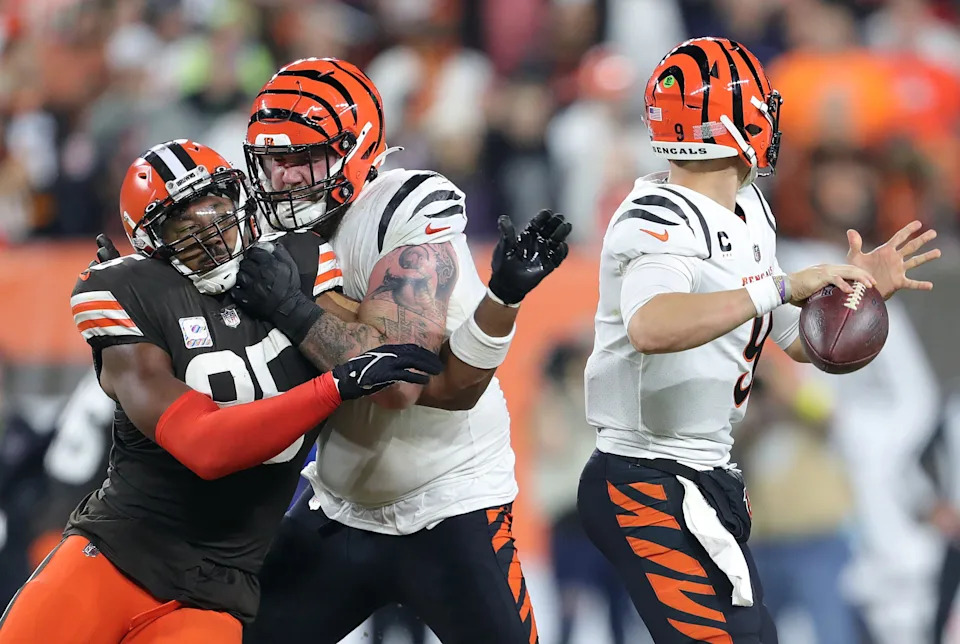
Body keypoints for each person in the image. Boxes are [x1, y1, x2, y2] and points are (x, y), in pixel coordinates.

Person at [0, 139, 441, 644]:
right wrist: (332, 387)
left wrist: (294, 309)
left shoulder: (296, 262)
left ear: (240, 199)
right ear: (152, 245)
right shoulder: (132, 291)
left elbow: (389, 364)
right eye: (184, 228)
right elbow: (204, 446)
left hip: (216, 591)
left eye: (216, 210)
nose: (210, 235)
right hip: (117, 556)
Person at [577, 36, 941, 643]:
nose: (771, 119)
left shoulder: (750, 211)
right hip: (644, 475)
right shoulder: (660, 214)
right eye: (758, 104)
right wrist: (779, 286)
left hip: (706, 471)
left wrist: (855, 299)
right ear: (726, 119)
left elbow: (797, 343)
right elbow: (652, 324)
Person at [230, 57, 570, 644]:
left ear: (355, 150)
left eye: (301, 158)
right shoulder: (261, 231)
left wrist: (292, 306)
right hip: (339, 503)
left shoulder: (404, 204)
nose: (284, 178)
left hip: (448, 502)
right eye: (272, 161)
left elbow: (396, 381)